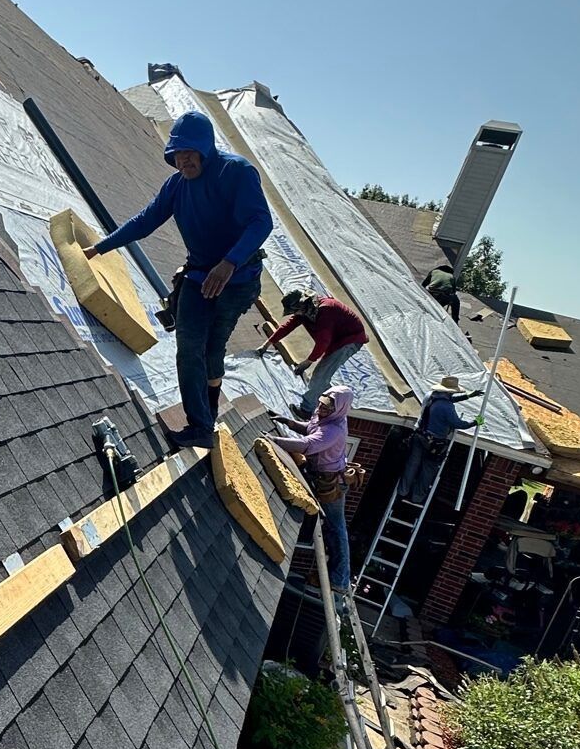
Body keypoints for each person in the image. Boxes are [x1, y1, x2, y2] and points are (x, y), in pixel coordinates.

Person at [83, 109, 271, 444]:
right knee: (188, 348)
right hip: (198, 278)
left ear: (206, 149)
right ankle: (200, 427)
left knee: (213, 350)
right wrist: (100, 248)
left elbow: (261, 223)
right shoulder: (177, 186)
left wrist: (229, 263)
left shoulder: (236, 172)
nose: (184, 161)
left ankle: (210, 404)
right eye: (177, 154)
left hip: (237, 281)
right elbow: (145, 221)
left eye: (190, 152)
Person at [272, 386, 354, 593]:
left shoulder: (334, 429)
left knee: (336, 528)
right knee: (333, 527)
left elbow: (307, 445)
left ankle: (340, 579)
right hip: (323, 476)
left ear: (338, 408)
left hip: (330, 481)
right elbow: (311, 428)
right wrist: (290, 423)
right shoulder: (326, 417)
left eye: (326, 408)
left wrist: (273, 441)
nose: (320, 409)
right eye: (320, 403)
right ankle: (339, 576)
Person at [263, 288, 368, 416]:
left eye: (296, 311)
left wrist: (308, 361)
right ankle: (333, 404)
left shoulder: (325, 310)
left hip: (349, 341)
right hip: (335, 342)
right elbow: (287, 327)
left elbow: (323, 341)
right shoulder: (305, 312)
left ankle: (306, 410)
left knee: (320, 375)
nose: (296, 314)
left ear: (303, 305)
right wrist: (267, 344)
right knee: (321, 378)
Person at [399, 375, 475, 505]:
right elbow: (458, 424)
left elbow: (448, 400)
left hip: (420, 435)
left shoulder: (431, 396)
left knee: (412, 464)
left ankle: (402, 491)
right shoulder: (447, 407)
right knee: (428, 470)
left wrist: (467, 396)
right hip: (435, 443)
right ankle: (417, 497)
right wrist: (474, 422)